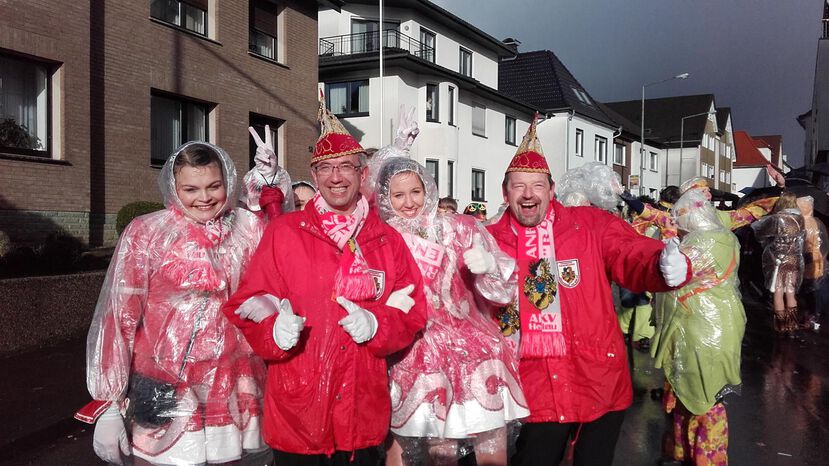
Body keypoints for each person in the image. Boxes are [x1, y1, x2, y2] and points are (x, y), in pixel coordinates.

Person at [221, 100, 428, 466]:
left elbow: (412, 310)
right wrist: (273, 330)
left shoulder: (386, 239)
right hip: (298, 414)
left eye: (346, 166)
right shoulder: (284, 232)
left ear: (362, 175)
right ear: (314, 176)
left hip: (361, 414)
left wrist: (378, 323)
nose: (337, 177)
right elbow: (248, 301)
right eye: (326, 168)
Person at [485, 116, 690, 466]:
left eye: (537, 185)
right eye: (519, 186)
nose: (529, 194)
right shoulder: (487, 242)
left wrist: (661, 264)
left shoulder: (589, 225)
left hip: (599, 380)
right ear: (505, 193)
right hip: (533, 392)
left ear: (552, 190)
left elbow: (629, 253)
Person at [78, 141, 289, 465]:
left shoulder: (248, 229)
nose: (203, 198)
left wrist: (274, 186)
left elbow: (286, 253)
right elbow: (119, 318)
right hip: (165, 388)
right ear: (174, 187)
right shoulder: (147, 233)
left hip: (234, 387)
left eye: (214, 186)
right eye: (191, 188)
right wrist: (108, 401)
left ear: (227, 183)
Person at [375, 157, 528, 466]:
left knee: (489, 448)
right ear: (385, 198)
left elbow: (504, 290)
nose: (409, 203)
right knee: (419, 450)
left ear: (428, 190)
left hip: (473, 353)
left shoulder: (458, 227)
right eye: (398, 195)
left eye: (415, 192)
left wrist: (490, 267)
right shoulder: (381, 239)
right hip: (413, 353)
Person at [651, 189, 745, 466]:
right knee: (688, 394)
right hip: (712, 326)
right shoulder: (723, 237)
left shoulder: (706, 241)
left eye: (680, 217)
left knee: (702, 399)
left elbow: (679, 270)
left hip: (702, 331)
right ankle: (682, 452)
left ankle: (706, 459)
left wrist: (669, 244)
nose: (677, 222)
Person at [621, 175, 779, 239]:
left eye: (709, 191)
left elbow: (752, 211)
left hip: (715, 285)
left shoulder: (721, 217)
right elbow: (647, 212)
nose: (709, 195)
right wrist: (622, 192)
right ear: (691, 196)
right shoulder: (677, 218)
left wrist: (781, 189)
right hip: (684, 286)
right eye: (703, 191)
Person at [752, 191, 806, 334]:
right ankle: (792, 324)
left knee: (778, 291)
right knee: (790, 291)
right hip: (794, 259)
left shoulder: (777, 219)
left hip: (778, 260)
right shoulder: (800, 219)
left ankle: (781, 325)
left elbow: (759, 233)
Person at [796, 195, 828, 329]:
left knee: (805, 290)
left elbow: (801, 244)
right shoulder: (816, 222)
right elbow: (824, 242)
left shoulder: (801, 223)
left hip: (807, 259)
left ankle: (807, 317)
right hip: (818, 258)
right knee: (814, 289)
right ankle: (813, 315)